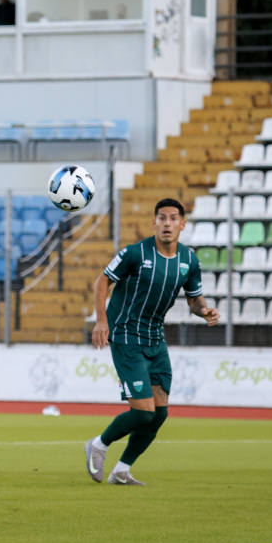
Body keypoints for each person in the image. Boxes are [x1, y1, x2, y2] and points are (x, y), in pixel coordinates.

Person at [83, 199, 220, 487]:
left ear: (182, 225)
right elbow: (102, 281)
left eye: (173, 218)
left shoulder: (189, 260)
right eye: (162, 218)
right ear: (154, 223)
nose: (167, 223)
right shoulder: (135, 253)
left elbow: (194, 300)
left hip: (156, 340)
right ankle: (98, 445)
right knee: (143, 412)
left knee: (159, 414)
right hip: (126, 337)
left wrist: (204, 310)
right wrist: (101, 321)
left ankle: (121, 470)